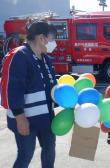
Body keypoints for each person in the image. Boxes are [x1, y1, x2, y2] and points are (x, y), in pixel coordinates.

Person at [0, 20, 57, 168]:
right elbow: (13, 89)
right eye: (52, 38)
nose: (54, 42)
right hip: (25, 119)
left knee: (49, 150)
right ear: (41, 38)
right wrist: (20, 118)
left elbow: (50, 85)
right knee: (25, 155)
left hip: (46, 117)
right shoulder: (20, 56)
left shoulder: (45, 59)